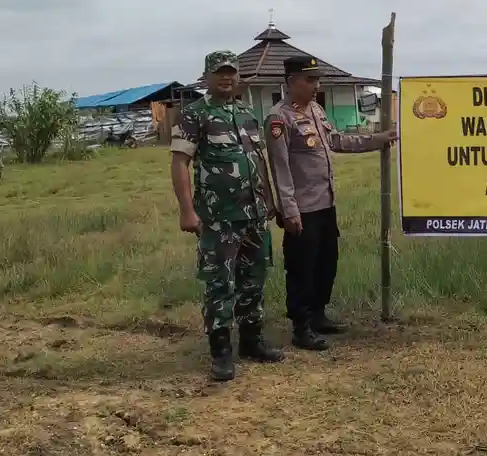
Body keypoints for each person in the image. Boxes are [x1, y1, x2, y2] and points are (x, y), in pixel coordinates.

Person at [264, 55, 398, 351]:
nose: (316, 85)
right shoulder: (279, 117)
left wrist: (377, 139)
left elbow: (336, 141)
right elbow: (280, 168)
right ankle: (301, 327)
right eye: (309, 80)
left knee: (326, 262)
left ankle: (318, 315)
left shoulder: (316, 110)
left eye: (317, 79)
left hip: (326, 202)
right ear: (291, 82)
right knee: (302, 267)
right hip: (303, 208)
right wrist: (289, 211)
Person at [170, 50, 284, 381]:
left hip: (255, 214)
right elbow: (180, 163)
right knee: (220, 283)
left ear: (238, 77)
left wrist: (271, 201)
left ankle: (252, 341)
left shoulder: (248, 113)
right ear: (206, 76)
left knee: (254, 278)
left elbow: (257, 160)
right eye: (219, 72)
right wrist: (186, 210)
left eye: (231, 72)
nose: (226, 77)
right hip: (219, 218)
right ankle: (221, 352)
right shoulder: (194, 114)